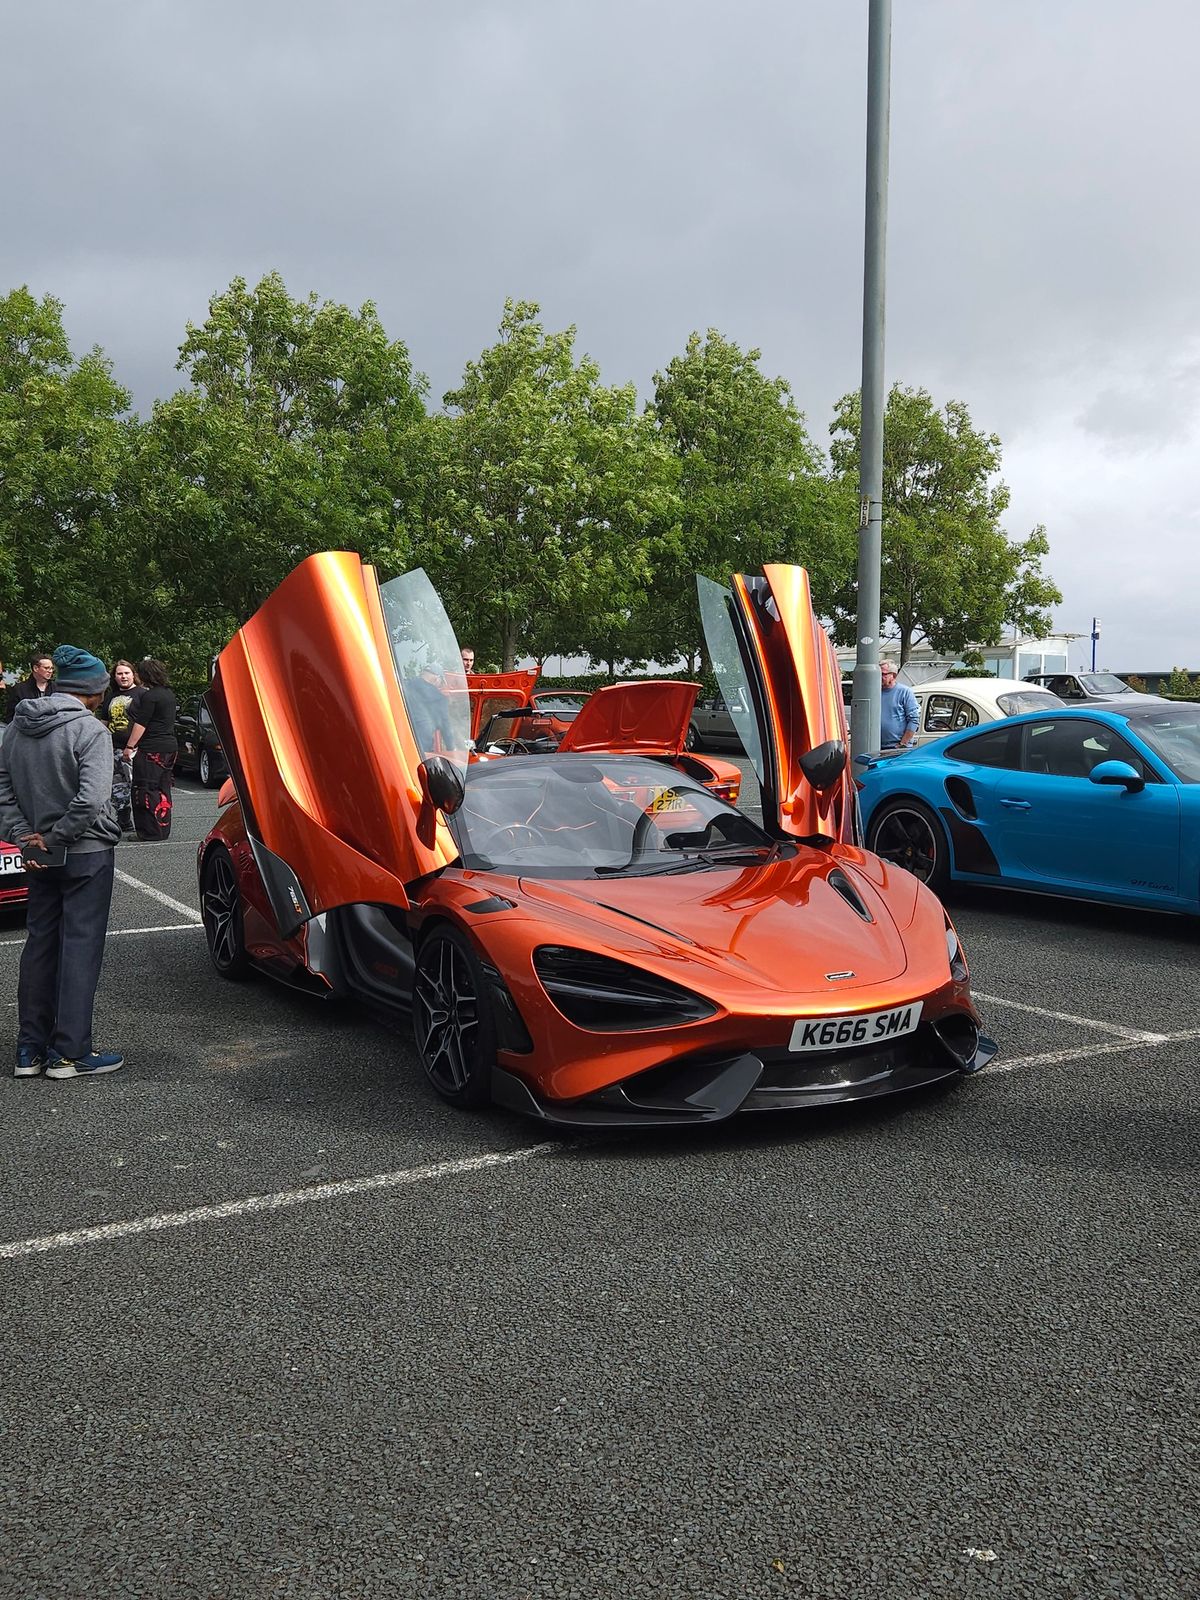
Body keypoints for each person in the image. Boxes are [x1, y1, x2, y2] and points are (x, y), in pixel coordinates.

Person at [0, 644, 122, 1078]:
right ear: (92, 691)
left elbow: (4, 791)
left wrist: (24, 838)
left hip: (36, 856)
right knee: (79, 948)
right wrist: (55, 837)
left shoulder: (15, 728)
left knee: (40, 945)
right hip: (84, 852)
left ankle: (29, 1050)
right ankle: (69, 1053)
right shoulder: (90, 731)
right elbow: (91, 800)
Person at [123, 657, 177, 840]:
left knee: (144, 788)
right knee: (162, 788)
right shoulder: (169, 694)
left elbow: (141, 724)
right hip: (169, 746)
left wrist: (130, 746)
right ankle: (162, 828)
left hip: (151, 748)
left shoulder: (150, 696)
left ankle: (148, 831)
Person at [99, 659, 142, 832]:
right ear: (114, 677)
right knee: (118, 787)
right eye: (119, 673)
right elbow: (103, 721)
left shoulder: (142, 694)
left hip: (136, 749)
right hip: (113, 748)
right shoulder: (110, 697)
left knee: (138, 785)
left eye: (126, 673)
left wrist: (132, 746)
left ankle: (144, 822)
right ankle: (124, 820)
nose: (123, 676)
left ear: (133, 674)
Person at [880, 660, 919, 750]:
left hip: (897, 748)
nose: (880, 677)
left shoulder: (905, 692)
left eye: (883, 674)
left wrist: (903, 743)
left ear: (893, 675)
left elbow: (914, 720)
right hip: (877, 747)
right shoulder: (874, 692)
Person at [4, 654, 55, 722]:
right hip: (24, 730)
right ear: (35, 668)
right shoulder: (19, 689)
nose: (50, 671)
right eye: (46, 668)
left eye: (51, 668)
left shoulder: (57, 689)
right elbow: (10, 717)